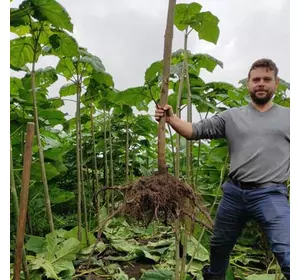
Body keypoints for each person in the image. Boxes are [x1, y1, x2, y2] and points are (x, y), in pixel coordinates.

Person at [155, 58, 290, 280]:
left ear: (276, 83)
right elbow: (194, 131)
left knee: (287, 250)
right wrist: (170, 118)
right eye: (256, 79)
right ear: (248, 84)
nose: (261, 83)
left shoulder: (290, 117)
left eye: (267, 79)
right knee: (219, 246)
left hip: (270, 194)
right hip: (234, 194)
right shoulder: (232, 116)